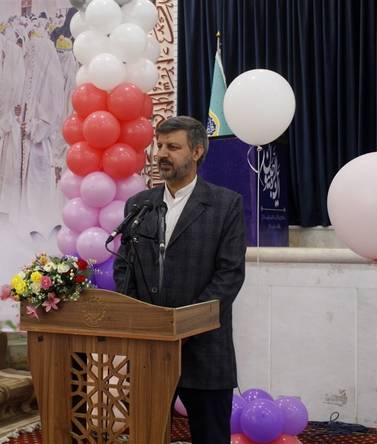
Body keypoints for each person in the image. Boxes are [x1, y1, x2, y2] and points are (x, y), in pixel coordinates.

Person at [113, 116, 246, 444]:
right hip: (150, 347)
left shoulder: (225, 204)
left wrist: (185, 326)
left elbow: (229, 275)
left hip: (203, 346)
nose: (161, 154)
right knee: (146, 433)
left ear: (197, 152)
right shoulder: (139, 205)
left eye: (173, 147)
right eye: (159, 145)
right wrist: (144, 322)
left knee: (210, 435)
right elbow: (124, 268)